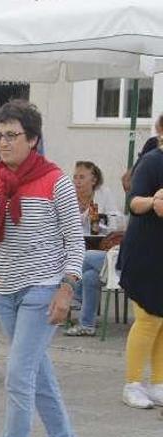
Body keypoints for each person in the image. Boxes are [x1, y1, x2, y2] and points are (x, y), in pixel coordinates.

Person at [0, 100, 84, 437]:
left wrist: (67, 289)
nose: (3, 143)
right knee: (38, 373)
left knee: (19, 376)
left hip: (44, 288)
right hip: (6, 290)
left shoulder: (56, 180)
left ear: (32, 139)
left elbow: (76, 241)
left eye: (12, 135)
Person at [117, 135, 163, 409]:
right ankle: (132, 383)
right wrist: (153, 201)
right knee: (148, 318)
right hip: (146, 251)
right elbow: (134, 202)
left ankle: (158, 382)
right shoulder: (152, 161)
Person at [66, 160, 124, 337]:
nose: (77, 181)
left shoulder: (103, 194)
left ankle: (74, 295)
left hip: (103, 249)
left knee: (84, 257)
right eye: (75, 177)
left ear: (94, 179)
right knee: (90, 276)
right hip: (78, 245)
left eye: (82, 177)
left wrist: (100, 218)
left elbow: (119, 220)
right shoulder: (68, 196)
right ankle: (87, 325)